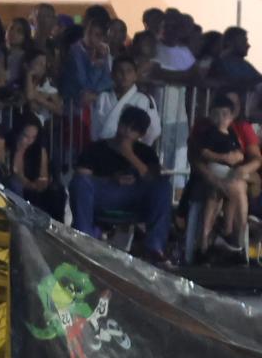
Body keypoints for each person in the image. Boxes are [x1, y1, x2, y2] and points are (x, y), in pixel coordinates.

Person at [70, 105, 171, 259]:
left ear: (141, 134)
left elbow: (153, 178)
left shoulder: (145, 152)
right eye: (125, 125)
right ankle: (84, 239)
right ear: (119, 123)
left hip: (135, 197)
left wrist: (130, 155)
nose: (127, 131)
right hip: (104, 195)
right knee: (80, 183)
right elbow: (81, 176)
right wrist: (111, 179)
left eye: (133, 129)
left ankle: (154, 247)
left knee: (163, 187)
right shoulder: (96, 148)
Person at [188, 98, 258, 263]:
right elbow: (203, 153)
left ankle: (231, 238)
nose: (221, 118)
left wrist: (237, 158)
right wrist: (224, 158)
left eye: (225, 114)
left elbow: (241, 153)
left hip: (231, 171)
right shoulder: (209, 132)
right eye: (216, 114)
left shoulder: (233, 133)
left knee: (238, 190)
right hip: (214, 170)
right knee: (234, 191)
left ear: (232, 116)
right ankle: (229, 240)